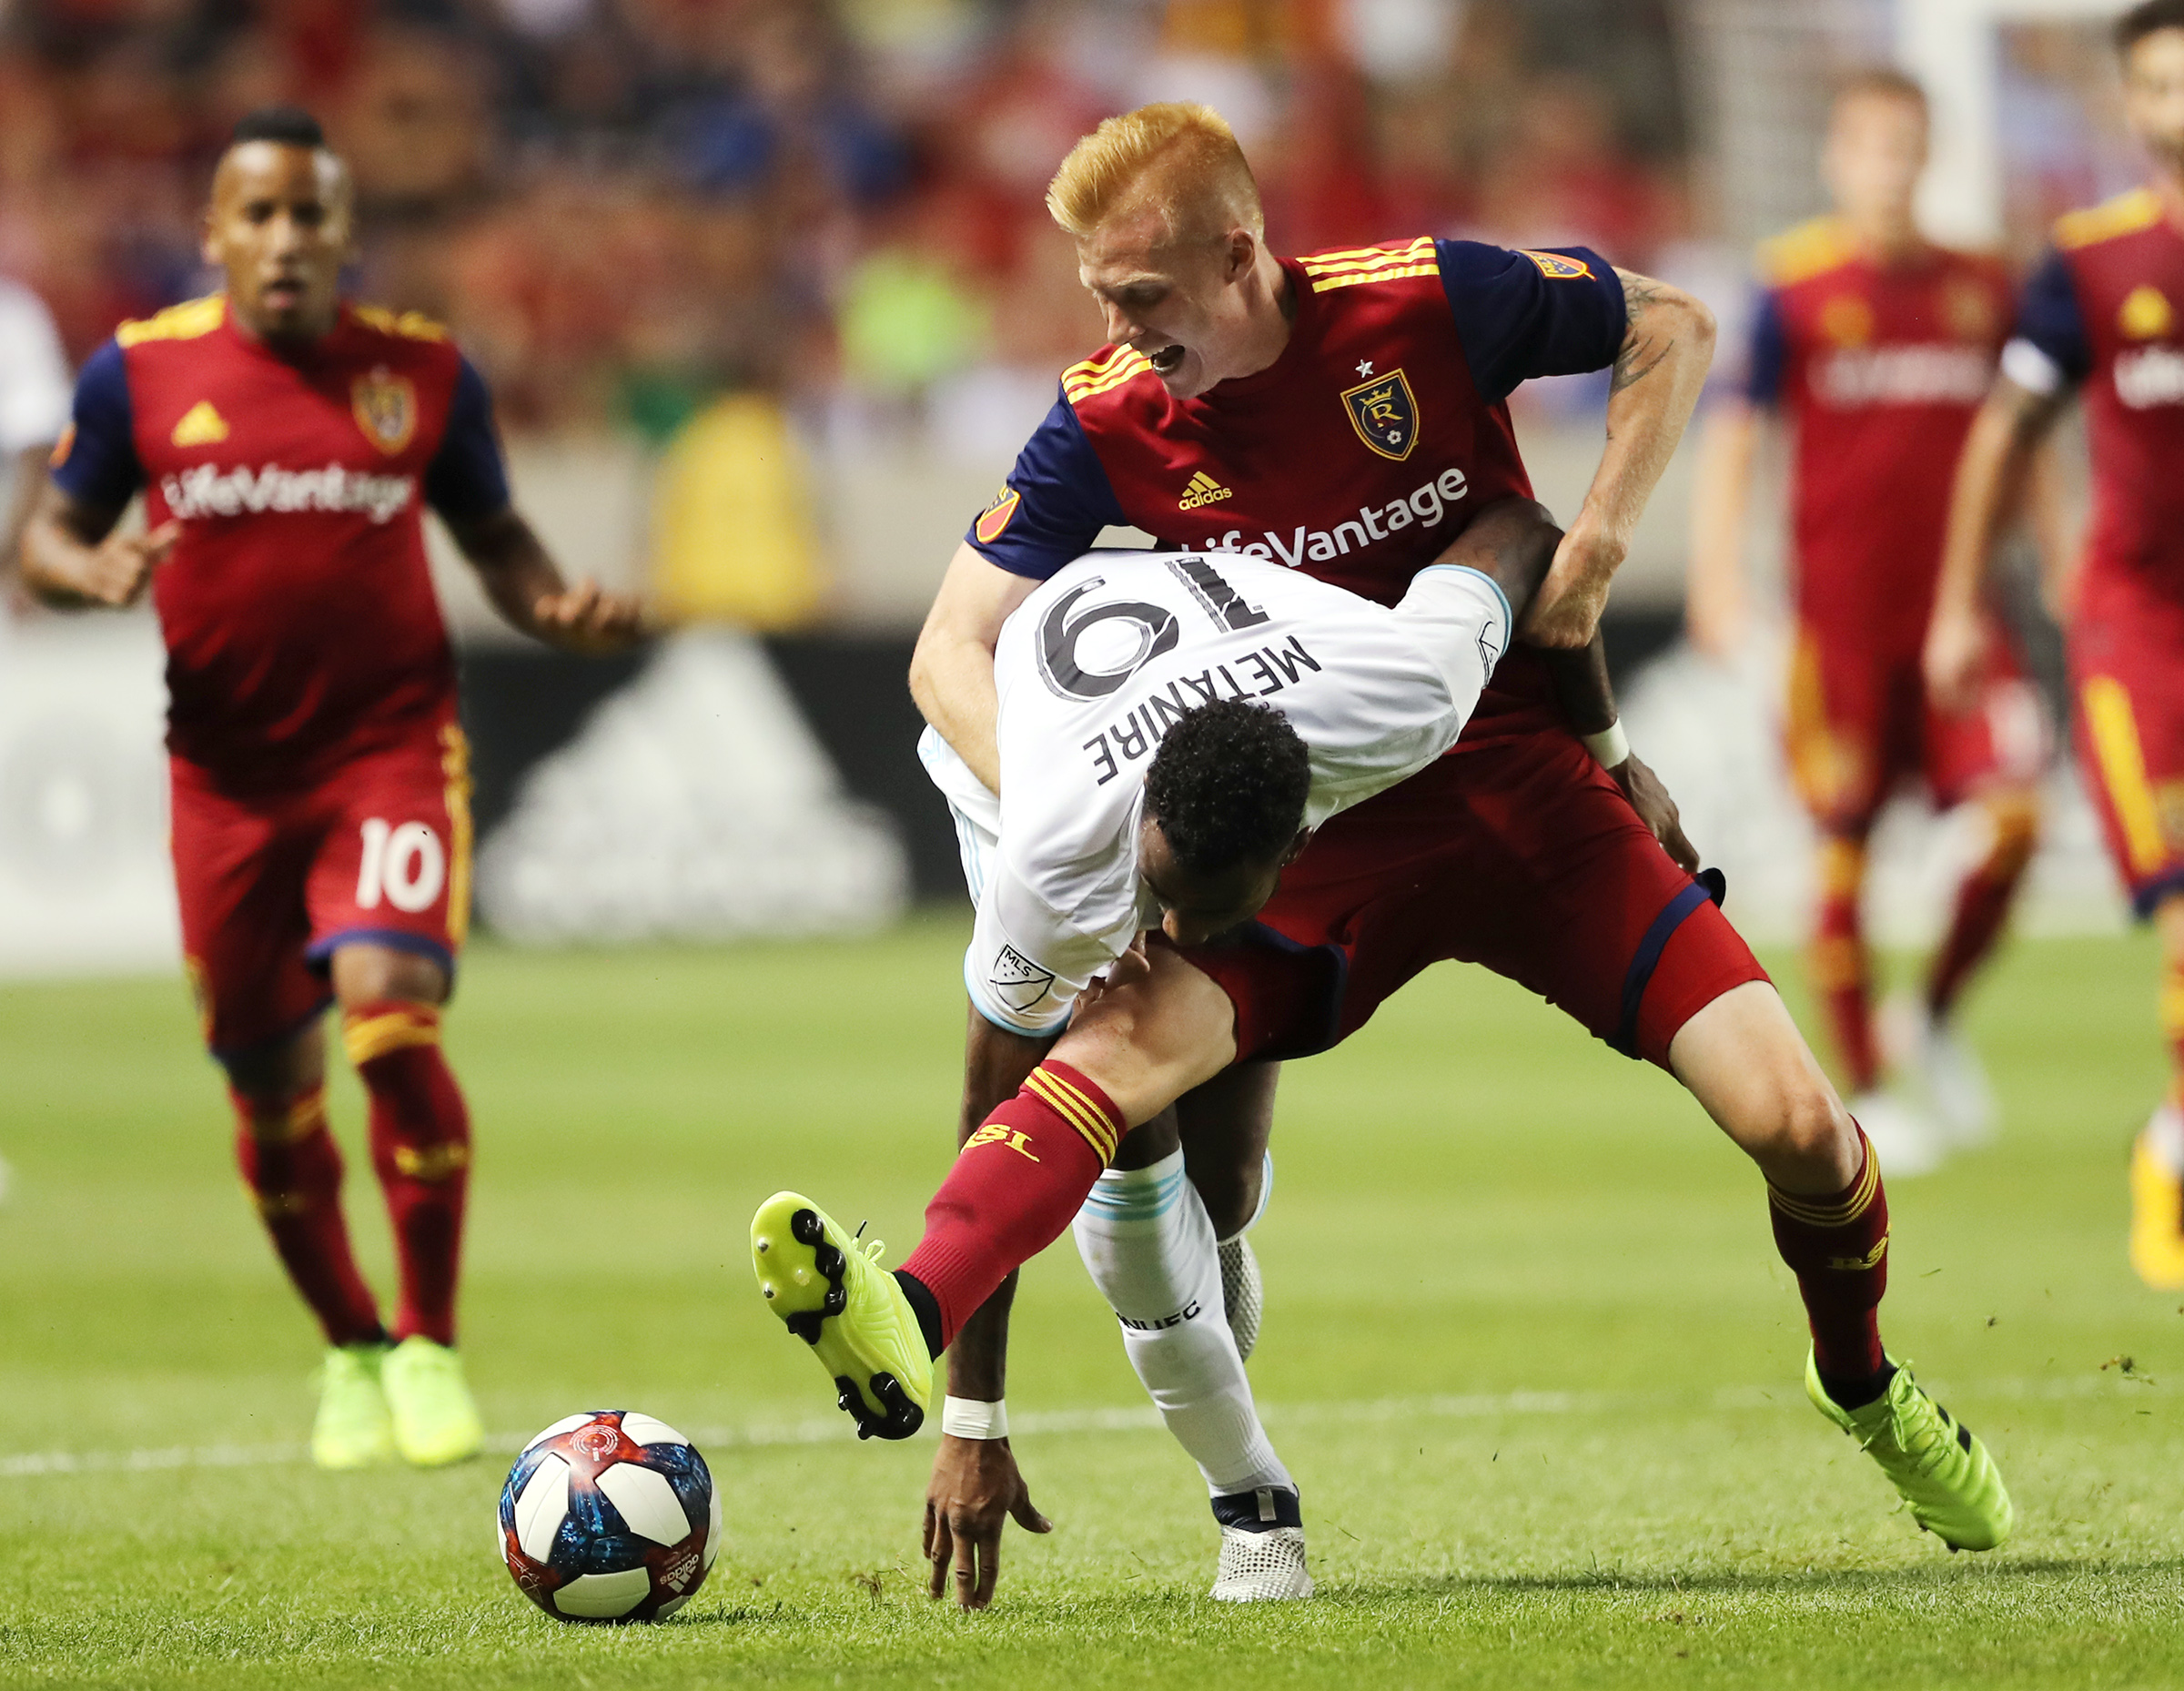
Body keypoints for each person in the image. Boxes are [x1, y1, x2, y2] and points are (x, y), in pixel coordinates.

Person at [751, 100, 2015, 1606]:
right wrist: (1058, 805)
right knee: (1110, 1060)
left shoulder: (1424, 298)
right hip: (1306, 823)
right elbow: (950, 645)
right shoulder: (1103, 416)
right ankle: (904, 1303)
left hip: (1520, 787)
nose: (1116, 326)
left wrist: (1604, 557)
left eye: (1143, 295)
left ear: (1239, 255)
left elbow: (1668, 327)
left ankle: (1864, 1381)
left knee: (1800, 1125)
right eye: (1098, 293)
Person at [19, 107, 642, 1468]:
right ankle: (351, 1348)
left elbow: (498, 537)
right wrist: (87, 572)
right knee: (270, 1097)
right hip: (227, 786)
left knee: (391, 1017)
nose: (286, 240)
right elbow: (47, 538)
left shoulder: (419, 375)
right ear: (215, 236)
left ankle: (427, 1340)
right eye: (260, 215)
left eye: (311, 216)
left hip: (390, 757)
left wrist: (557, 607)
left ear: (349, 236)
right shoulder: (136, 378)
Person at [1687, 70, 2048, 1171]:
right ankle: (1875, 1089)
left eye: (1907, 150)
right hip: (1836, 632)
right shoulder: (1793, 288)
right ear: (1837, 162)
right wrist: (1715, 575)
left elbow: (2022, 437)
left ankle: (1929, 1015)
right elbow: (1738, 434)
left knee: (2016, 821)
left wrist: (2067, 560)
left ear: (1927, 158)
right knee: (1840, 848)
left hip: (1959, 624)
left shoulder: (1986, 285)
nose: (1890, 172)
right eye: (1871, 151)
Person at [1926, 0, 2184, 1289]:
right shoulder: (2088, 264)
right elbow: (2003, 434)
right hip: (2137, 632)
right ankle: (2175, 1153)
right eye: (2160, 86)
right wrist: (1961, 603)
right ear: (2129, 107)